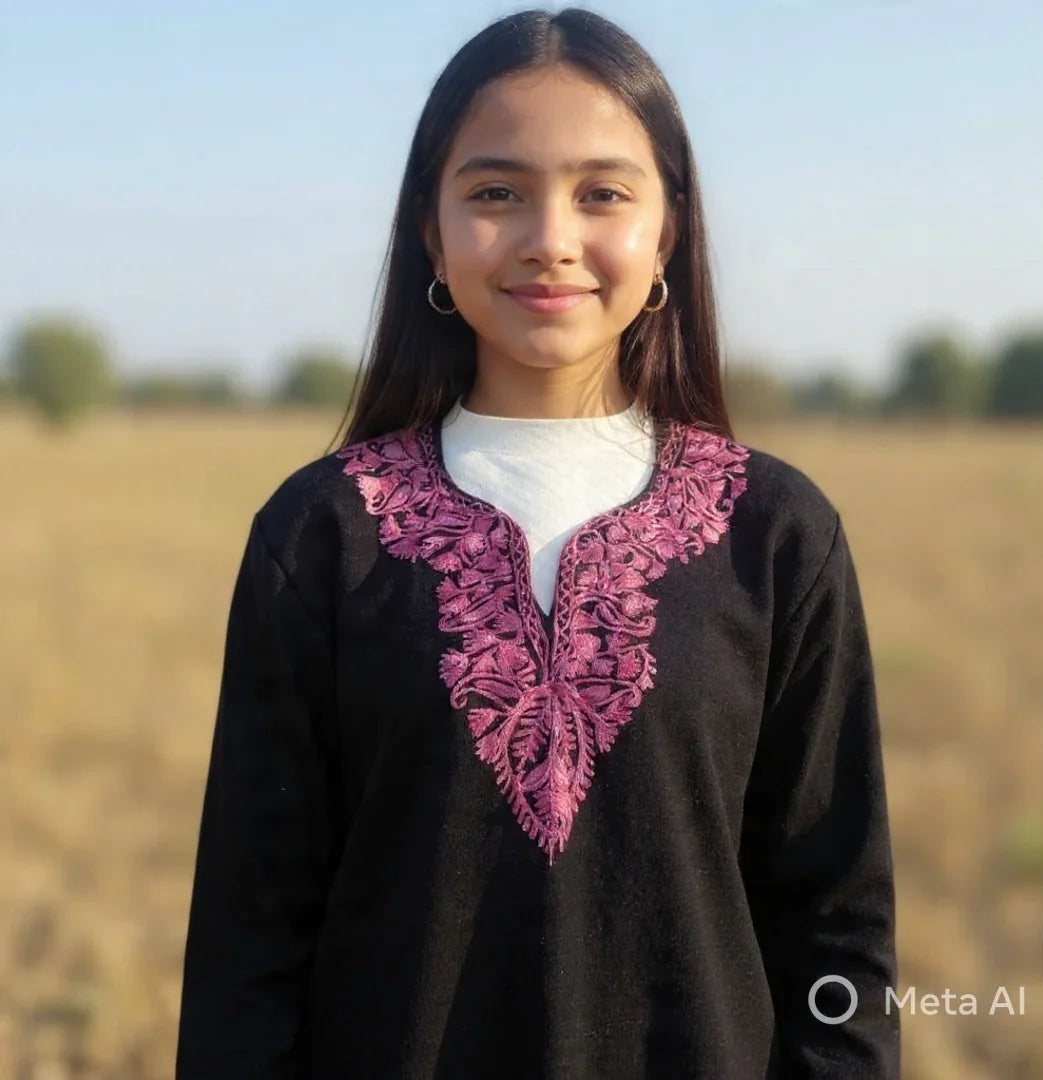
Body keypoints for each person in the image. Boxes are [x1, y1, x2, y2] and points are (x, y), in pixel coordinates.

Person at [175, 8, 900, 1078]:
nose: (550, 238)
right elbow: (247, 948)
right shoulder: (322, 535)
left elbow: (838, 932)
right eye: (495, 193)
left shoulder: (776, 534)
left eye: (603, 193)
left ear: (668, 230)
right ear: (430, 231)